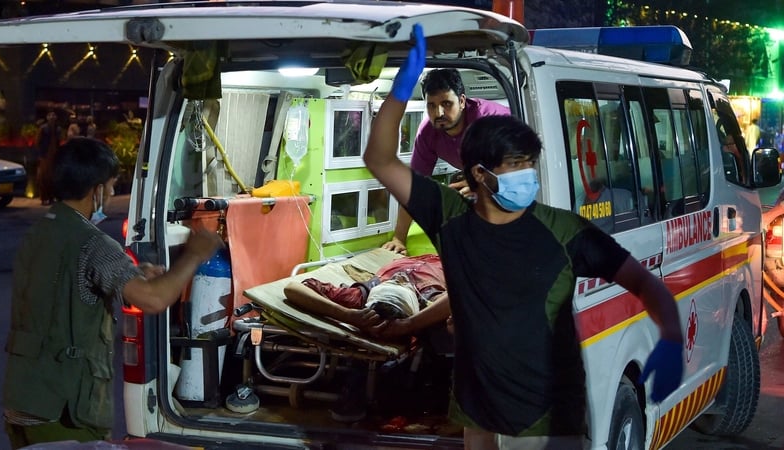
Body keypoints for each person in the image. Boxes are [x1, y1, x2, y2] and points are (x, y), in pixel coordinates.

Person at [363, 24, 683, 449]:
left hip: (547, 420)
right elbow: (380, 159)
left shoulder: (564, 230)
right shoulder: (452, 220)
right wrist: (400, 91)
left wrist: (671, 334)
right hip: (480, 409)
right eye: (514, 165)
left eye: (529, 163)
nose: (527, 174)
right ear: (480, 174)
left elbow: (642, 281)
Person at [2, 137, 224, 449]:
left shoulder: (40, 232)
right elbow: (154, 299)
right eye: (108, 187)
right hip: (62, 413)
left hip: (22, 400)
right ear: (96, 191)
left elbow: (64, 286)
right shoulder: (93, 242)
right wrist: (195, 254)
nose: (108, 195)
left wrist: (135, 273)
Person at [381, 68, 510, 255]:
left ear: (462, 101)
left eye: (446, 103)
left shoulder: (490, 122)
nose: (438, 112)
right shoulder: (427, 133)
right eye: (431, 106)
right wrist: (399, 238)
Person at [283, 253, 450, 339]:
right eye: (400, 284)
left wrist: (347, 315)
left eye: (393, 282)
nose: (399, 276)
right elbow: (455, 299)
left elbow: (292, 288)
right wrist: (411, 324)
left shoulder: (359, 297)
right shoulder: (430, 299)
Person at [36, 111, 63, 205]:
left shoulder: (58, 129)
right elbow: (38, 142)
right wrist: (41, 154)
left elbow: (59, 141)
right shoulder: (43, 128)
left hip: (54, 155)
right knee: (44, 177)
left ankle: (52, 197)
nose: (52, 117)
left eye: (54, 115)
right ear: (47, 117)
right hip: (45, 155)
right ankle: (44, 198)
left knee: (53, 177)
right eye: (50, 115)